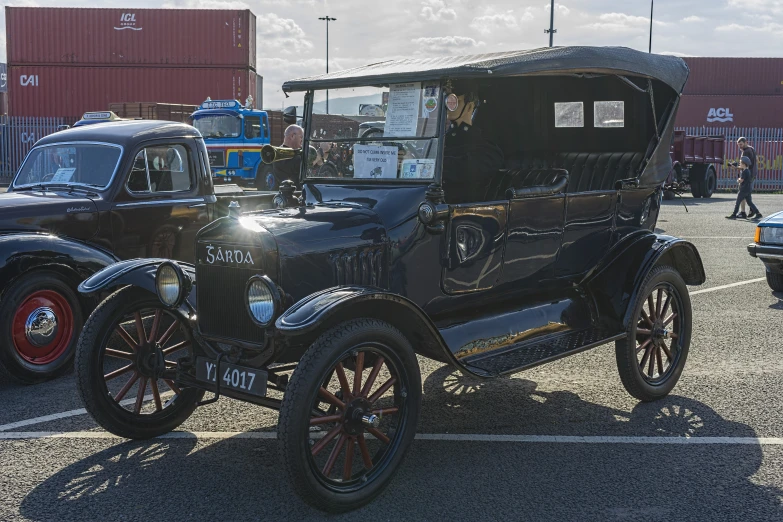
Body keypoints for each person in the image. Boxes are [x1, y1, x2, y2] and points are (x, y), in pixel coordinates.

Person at [442, 85, 504, 203]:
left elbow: (465, 169)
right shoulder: (443, 141)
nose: (449, 104)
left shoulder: (486, 149)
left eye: (455, 101)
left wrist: (434, 165)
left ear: (469, 106)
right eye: (447, 100)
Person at [270, 124, 304, 189]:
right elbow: (295, 165)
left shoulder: (298, 153)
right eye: (301, 137)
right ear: (292, 136)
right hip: (289, 194)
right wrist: (313, 161)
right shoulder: (279, 154)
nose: (302, 140)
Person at [735, 137, 758, 218]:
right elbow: (756, 160)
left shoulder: (746, 152)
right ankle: (752, 210)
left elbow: (745, 166)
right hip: (752, 175)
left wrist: (735, 167)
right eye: (738, 145)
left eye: (741, 144)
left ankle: (743, 212)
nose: (740, 146)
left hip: (747, 175)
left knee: (742, 194)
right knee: (747, 194)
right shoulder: (752, 149)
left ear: (746, 142)